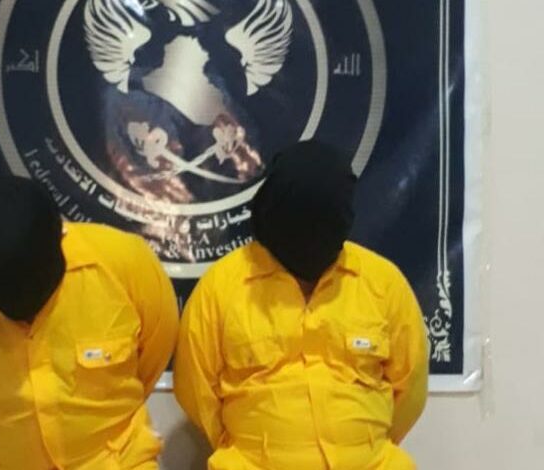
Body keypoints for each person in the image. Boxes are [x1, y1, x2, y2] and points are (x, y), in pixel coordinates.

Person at [174, 141, 428, 469]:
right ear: (272, 208)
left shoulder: (383, 283)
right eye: (298, 217)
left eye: (322, 220)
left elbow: (410, 388)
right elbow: (196, 390)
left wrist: (359, 444)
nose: (309, 233)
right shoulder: (222, 286)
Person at [0, 176, 179, 469]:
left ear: (61, 238)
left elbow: (156, 348)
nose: (23, 315)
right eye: (2, 296)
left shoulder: (123, 264)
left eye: (35, 289)